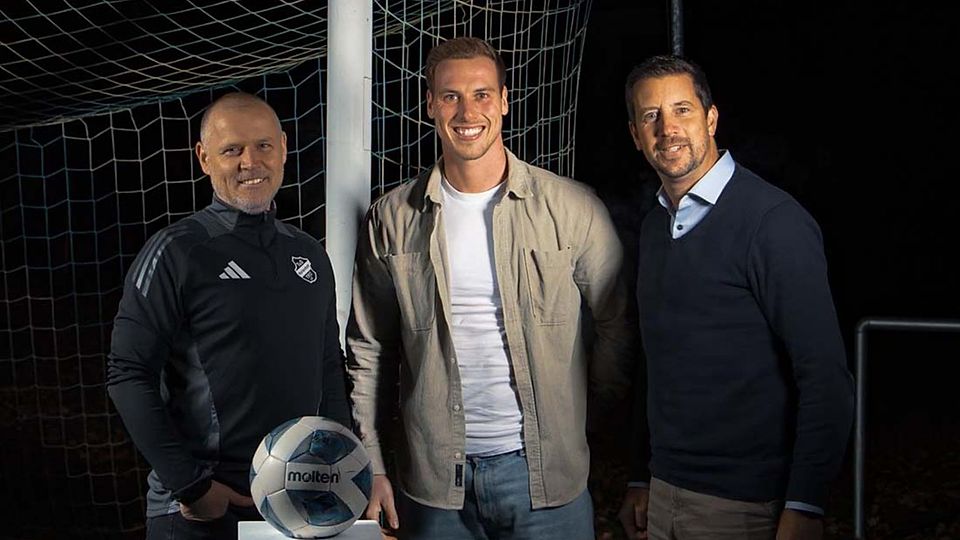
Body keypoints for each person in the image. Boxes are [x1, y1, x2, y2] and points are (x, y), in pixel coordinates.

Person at [346, 37, 633, 540]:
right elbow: (369, 348)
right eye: (451, 96)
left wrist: (585, 419)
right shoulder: (391, 219)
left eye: (481, 94)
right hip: (434, 484)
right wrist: (373, 462)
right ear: (430, 104)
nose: (466, 111)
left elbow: (615, 321)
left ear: (503, 100)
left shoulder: (572, 208)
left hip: (545, 478)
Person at [617, 55, 854, 540]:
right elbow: (654, 361)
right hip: (663, 496)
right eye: (650, 116)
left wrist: (805, 503)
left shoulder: (772, 223)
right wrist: (641, 474)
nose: (668, 128)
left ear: (710, 118)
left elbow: (825, 375)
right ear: (635, 135)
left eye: (682, 109)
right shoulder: (655, 226)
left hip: (746, 505)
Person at [107, 92, 350, 540]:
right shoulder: (178, 251)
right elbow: (127, 373)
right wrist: (191, 485)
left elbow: (327, 366)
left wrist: (343, 467)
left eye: (262, 146)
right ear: (204, 158)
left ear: (283, 146)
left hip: (301, 504)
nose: (250, 162)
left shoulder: (309, 254)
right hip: (203, 512)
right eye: (232, 150)